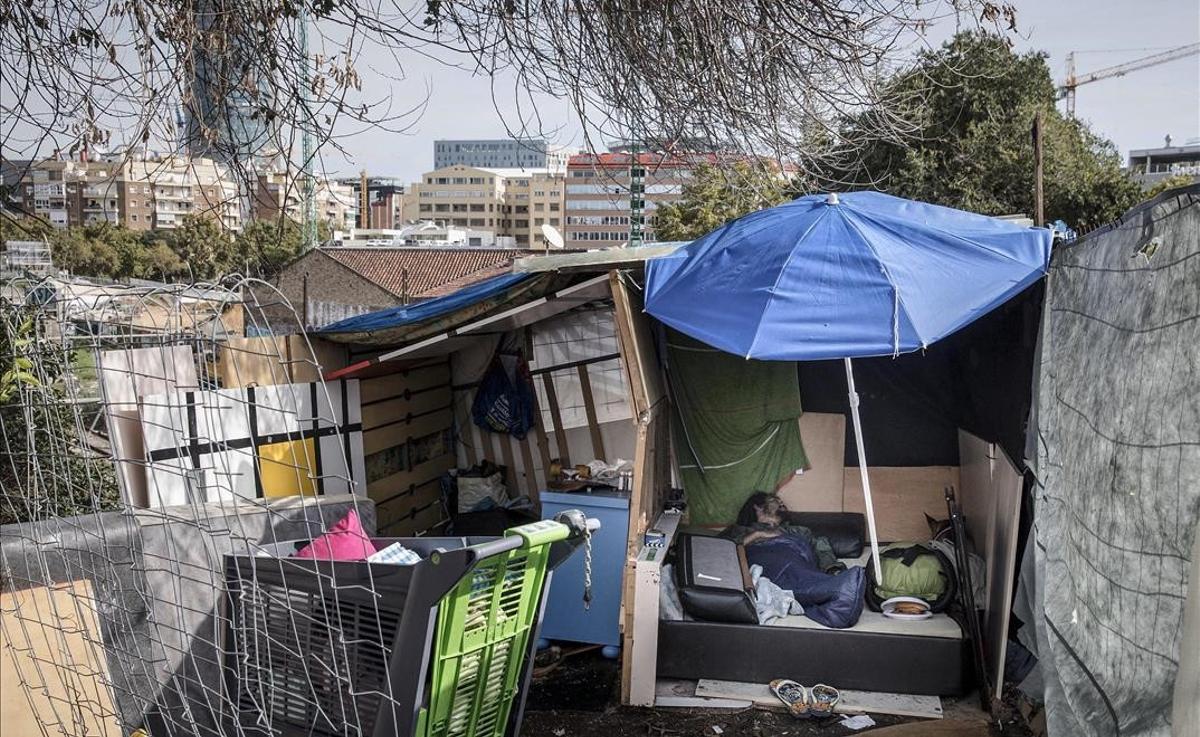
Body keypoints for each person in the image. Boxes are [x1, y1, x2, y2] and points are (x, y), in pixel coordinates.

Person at [722, 492, 866, 629]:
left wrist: (834, 570)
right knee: (787, 571)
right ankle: (839, 591)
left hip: (796, 558)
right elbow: (722, 552)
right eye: (774, 500)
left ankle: (836, 589)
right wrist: (757, 535)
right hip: (760, 557)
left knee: (798, 571)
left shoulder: (799, 531)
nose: (781, 503)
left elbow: (822, 550)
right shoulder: (738, 530)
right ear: (757, 507)